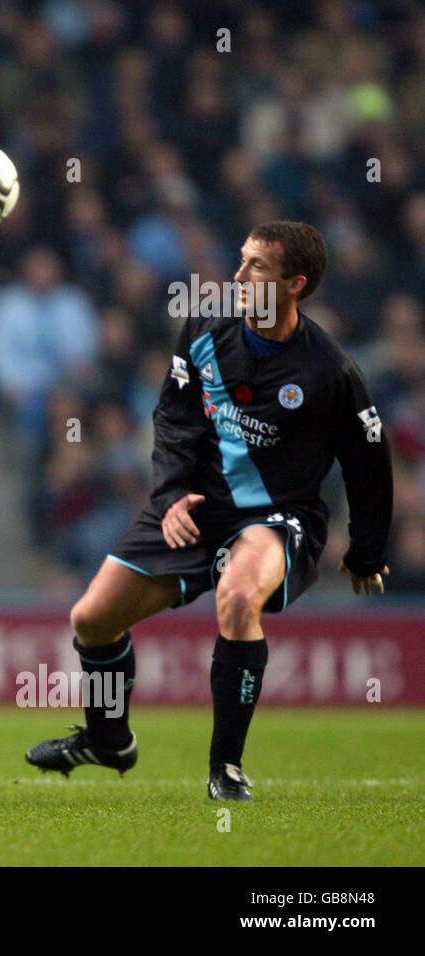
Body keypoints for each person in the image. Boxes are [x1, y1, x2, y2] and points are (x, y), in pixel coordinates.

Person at [25, 221, 393, 800]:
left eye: (257, 268)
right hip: (195, 505)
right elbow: (174, 417)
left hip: (276, 518)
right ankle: (108, 738)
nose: (240, 275)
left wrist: (368, 549)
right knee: (91, 620)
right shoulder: (203, 327)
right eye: (242, 260)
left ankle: (226, 769)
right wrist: (169, 495)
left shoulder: (329, 370)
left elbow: (369, 459)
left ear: (295, 284)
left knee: (240, 598)